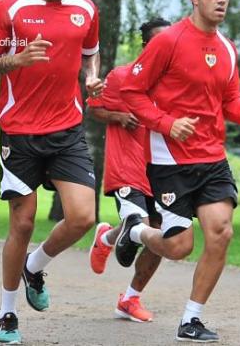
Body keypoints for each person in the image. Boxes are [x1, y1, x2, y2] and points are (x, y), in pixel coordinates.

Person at [119, 0, 240, 342]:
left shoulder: (226, 48)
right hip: (170, 158)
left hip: (212, 158)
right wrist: (167, 123)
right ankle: (136, 231)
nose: (221, 0)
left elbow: (229, 105)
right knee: (179, 246)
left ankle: (191, 319)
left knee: (220, 233)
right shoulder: (167, 41)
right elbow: (131, 93)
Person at [0, 0, 104, 344]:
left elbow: (90, 51)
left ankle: (35, 265)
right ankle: (7, 312)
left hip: (66, 129)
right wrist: (18, 59)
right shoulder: (10, 6)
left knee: (83, 216)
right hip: (19, 132)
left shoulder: (85, 9)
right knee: (23, 221)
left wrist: (92, 75)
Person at [87, 18, 170, 323]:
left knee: (163, 235)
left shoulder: (177, 83)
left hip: (162, 171)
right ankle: (112, 239)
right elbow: (93, 109)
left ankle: (129, 295)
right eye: (162, 41)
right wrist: (119, 116)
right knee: (143, 226)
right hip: (128, 166)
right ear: (148, 46)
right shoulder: (121, 77)